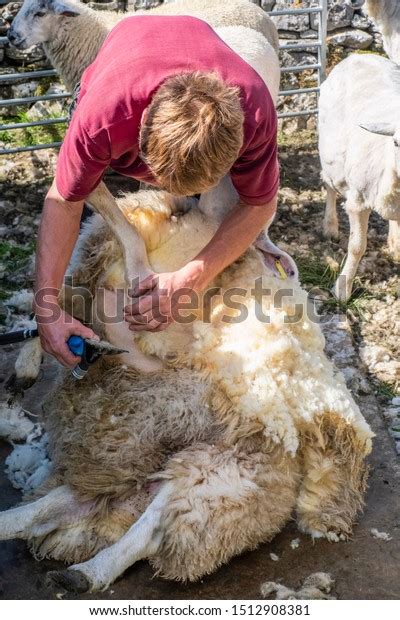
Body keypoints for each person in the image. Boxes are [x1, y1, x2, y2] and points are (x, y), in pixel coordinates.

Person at [34, 14, 282, 368]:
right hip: (128, 51)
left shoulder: (255, 112)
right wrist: (47, 310)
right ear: (140, 138)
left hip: (200, 48)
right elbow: (64, 199)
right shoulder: (102, 119)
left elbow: (259, 204)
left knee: (220, 209)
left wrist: (191, 279)